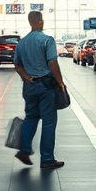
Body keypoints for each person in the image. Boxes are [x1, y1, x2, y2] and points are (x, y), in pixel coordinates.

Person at [13, 10, 66, 169]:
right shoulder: (47, 40)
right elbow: (52, 63)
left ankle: (24, 150)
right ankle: (47, 159)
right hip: (46, 86)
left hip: (29, 86)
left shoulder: (22, 43)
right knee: (49, 122)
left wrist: (25, 77)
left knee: (31, 117)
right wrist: (60, 83)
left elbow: (17, 65)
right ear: (41, 22)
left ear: (30, 22)